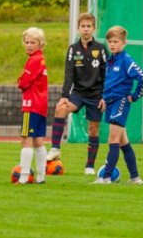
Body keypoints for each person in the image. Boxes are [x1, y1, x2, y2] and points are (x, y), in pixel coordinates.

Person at [46, 13, 108, 175]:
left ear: (94, 29)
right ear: (78, 28)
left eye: (89, 26)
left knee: (93, 129)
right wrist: (65, 96)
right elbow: (69, 74)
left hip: (96, 95)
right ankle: (55, 148)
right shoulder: (73, 49)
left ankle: (89, 166)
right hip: (78, 94)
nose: (86, 29)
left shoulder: (101, 49)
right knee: (60, 109)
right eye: (83, 26)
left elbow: (106, 74)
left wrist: (104, 96)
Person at [94, 26, 143, 184]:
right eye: (109, 41)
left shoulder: (126, 60)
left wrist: (135, 96)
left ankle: (106, 177)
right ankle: (135, 177)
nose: (112, 45)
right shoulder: (110, 60)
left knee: (113, 139)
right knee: (124, 142)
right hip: (110, 102)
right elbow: (109, 82)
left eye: (116, 42)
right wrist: (103, 97)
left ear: (124, 43)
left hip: (120, 102)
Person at [16, 27, 49, 184]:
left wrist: (19, 81)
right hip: (41, 104)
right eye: (26, 42)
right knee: (37, 139)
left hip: (31, 104)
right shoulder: (41, 59)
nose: (28, 45)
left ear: (40, 44)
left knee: (26, 138)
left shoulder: (34, 61)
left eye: (32, 42)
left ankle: (23, 176)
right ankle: (41, 176)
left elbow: (23, 83)